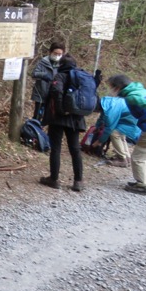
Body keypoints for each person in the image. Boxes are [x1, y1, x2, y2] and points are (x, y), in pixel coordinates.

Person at [106, 75, 146, 195]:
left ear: (118, 87)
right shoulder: (141, 90)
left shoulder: (132, 96)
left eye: (112, 87)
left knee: (137, 157)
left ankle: (143, 185)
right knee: (143, 155)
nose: (111, 90)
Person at [39, 54, 86, 192]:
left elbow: (56, 91)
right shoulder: (81, 77)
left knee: (56, 148)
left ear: (61, 65)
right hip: (76, 118)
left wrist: (61, 110)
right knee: (75, 149)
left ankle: (54, 179)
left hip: (58, 118)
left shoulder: (60, 76)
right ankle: (78, 181)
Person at [91, 96, 141, 167]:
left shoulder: (111, 110)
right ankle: (127, 158)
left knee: (114, 133)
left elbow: (109, 129)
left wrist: (99, 141)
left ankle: (122, 159)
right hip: (132, 119)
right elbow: (103, 116)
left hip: (135, 123)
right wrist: (97, 126)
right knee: (121, 135)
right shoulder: (106, 102)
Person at [30, 41, 65, 120]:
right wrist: (44, 75)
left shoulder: (63, 64)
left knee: (51, 117)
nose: (57, 56)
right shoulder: (43, 62)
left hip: (54, 95)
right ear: (50, 52)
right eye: (55, 53)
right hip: (41, 93)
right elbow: (34, 74)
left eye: (59, 54)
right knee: (37, 116)